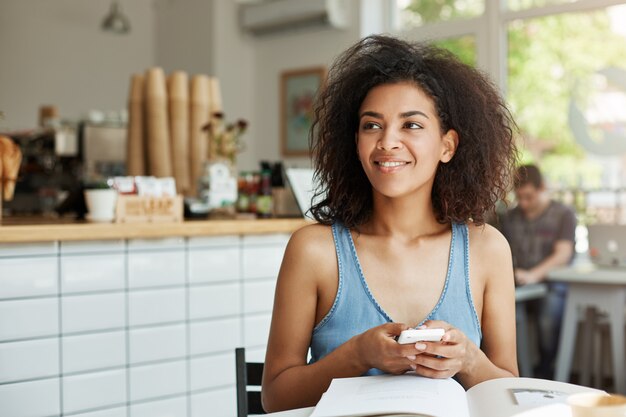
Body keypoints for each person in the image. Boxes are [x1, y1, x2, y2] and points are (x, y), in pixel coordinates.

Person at [261, 35, 519, 413]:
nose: (387, 142)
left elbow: (509, 392)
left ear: (447, 146)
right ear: (355, 142)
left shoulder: (487, 248)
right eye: (371, 125)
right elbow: (275, 398)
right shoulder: (313, 251)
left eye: (411, 125)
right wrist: (357, 355)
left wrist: (468, 361)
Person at [500, 164, 576, 379]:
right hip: (520, 284)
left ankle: (546, 372)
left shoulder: (564, 214)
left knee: (548, 315)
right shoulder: (510, 217)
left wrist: (533, 275)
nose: (523, 203)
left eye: (529, 197)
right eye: (519, 197)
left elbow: (563, 254)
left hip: (553, 284)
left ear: (542, 188)